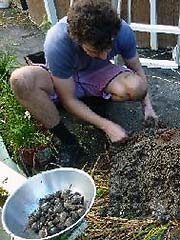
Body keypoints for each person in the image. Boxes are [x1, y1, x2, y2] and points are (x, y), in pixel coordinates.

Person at [10, 0, 157, 168]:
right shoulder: (57, 41)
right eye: (94, 51)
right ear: (77, 39)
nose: (103, 56)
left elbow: (137, 69)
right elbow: (69, 99)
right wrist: (107, 126)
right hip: (63, 78)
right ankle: (69, 143)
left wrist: (148, 107)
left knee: (136, 88)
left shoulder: (122, 31)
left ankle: (92, 100)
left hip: (96, 73)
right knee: (20, 80)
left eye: (107, 49)